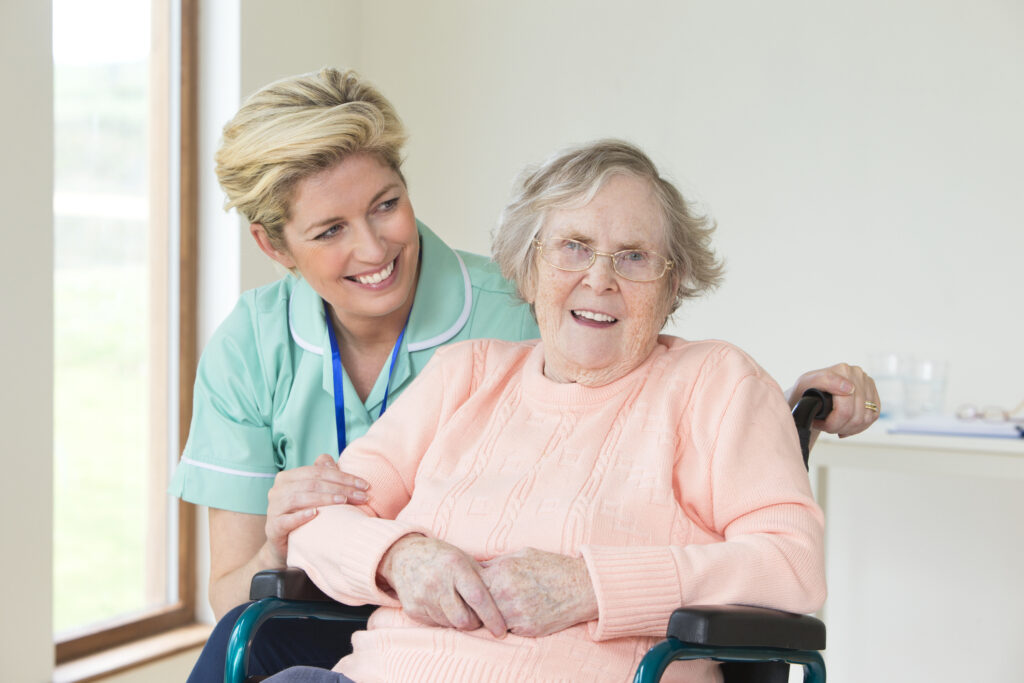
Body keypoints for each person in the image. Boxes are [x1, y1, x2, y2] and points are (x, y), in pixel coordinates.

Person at [171, 68, 878, 681]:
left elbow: (783, 556)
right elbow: (320, 522)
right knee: (260, 651)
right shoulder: (470, 370)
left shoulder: (715, 382)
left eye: (634, 256)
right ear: (529, 268)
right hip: (377, 655)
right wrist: (402, 554)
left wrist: (591, 583)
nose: (598, 279)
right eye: (572, 247)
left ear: (676, 279)